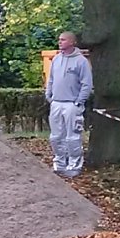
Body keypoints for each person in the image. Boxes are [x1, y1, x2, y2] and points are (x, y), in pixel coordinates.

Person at [45, 31, 93, 178]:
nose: (60, 42)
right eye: (59, 40)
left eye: (63, 40)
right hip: (56, 103)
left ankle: (74, 165)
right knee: (55, 137)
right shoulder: (56, 59)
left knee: (72, 137)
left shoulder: (81, 61)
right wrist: (49, 95)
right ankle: (59, 163)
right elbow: (51, 79)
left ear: (72, 42)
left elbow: (87, 84)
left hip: (72, 104)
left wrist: (79, 101)